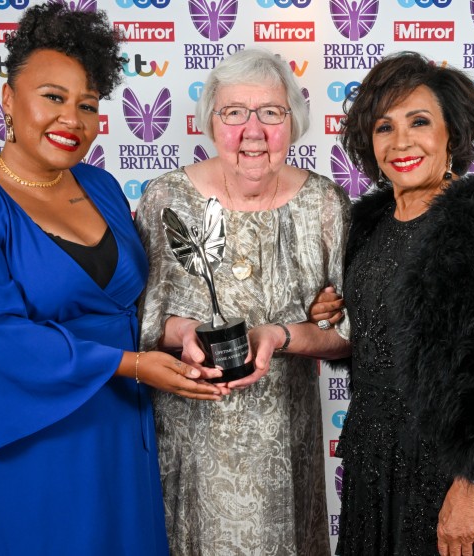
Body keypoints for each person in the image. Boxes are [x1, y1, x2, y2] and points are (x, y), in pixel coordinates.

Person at [0, 5, 221, 554]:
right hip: (18, 439)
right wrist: (130, 365)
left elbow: (128, 307)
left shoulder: (101, 186)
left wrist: (176, 332)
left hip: (114, 428)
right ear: (8, 100)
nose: (72, 119)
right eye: (53, 97)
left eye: (87, 105)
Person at [332, 51, 474, 555]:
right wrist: (332, 315)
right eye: (384, 127)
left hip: (444, 466)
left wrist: (471, 489)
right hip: (370, 454)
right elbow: (372, 338)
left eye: (419, 122)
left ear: (451, 135)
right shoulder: (367, 224)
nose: (401, 142)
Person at [135, 48, 351, 555]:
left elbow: (347, 337)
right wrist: (183, 332)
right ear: (211, 122)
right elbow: (138, 323)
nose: (253, 130)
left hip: (287, 445)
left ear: (292, 122)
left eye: (271, 112)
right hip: (188, 443)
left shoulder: (324, 204)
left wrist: (281, 335)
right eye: (234, 112)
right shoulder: (166, 198)